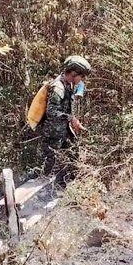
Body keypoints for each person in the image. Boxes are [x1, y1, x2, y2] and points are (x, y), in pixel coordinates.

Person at [42, 55, 91, 184]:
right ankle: (43, 196)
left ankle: (66, 189)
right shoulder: (58, 88)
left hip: (63, 132)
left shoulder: (68, 84)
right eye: (81, 76)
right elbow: (51, 112)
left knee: (72, 158)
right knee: (49, 168)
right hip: (53, 135)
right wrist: (70, 118)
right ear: (74, 73)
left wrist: (74, 121)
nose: (81, 80)